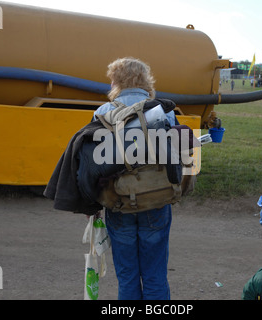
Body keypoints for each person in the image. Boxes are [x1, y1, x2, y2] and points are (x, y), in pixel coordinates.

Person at [92, 57, 175, 300]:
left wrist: (91, 203)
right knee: (155, 275)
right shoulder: (164, 111)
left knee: (127, 276)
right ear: (145, 80)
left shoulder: (103, 113)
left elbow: (92, 165)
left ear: (116, 81)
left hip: (118, 202)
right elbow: (178, 157)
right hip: (156, 200)